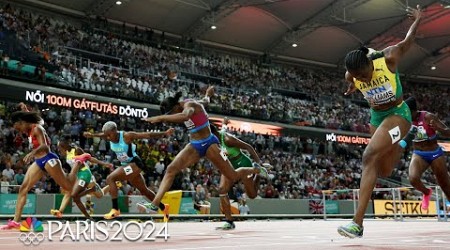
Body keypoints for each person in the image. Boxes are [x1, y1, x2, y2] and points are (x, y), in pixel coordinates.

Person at [337, 5, 421, 238]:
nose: (364, 79)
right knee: (382, 168)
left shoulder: (389, 57)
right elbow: (352, 79)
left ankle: (357, 223)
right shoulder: (351, 74)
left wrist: (418, 19)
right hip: (377, 117)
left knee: (368, 156)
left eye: (365, 75)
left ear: (371, 64)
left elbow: (408, 40)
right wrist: (352, 85)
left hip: (398, 114)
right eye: (359, 77)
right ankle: (404, 142)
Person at [141, 86, 262, 217]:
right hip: (195, 145)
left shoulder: (190, 105)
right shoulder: (192, 104)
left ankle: (255, 170)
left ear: (176, 106)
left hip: (210, 144)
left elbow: (185, 116)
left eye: (171, 113)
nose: (171, 117)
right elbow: (205, 101)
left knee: (232, 176)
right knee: (171, 169)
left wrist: (160, 118)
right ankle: (155, 204)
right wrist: (208, 94)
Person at [83, 121, 174, 219]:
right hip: (126, 165)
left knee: (110, 178)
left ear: (115, 131)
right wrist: (92, 135)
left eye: (109, 134)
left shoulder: (127, 136)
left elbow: (147, 135)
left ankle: (115, 209)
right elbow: (101, 135)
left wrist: (164, 133)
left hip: (135, 164)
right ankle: (164, 207)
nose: (107, 137)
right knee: (144, 191)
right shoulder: (108, 136)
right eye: (106, 135)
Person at [1, 111, 72, 230]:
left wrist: (32, 153)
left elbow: (46, 147)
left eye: (18, 127)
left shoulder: (37, 129)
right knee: (23, 188)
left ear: (22, 122)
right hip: (39, 162)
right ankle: (16, 221)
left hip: (49, 160)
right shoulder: (28, 130)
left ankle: (84, 188)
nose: (19, 130)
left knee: (67, 187)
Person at [210, 123, 269, 230]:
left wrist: (258, 163)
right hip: (230, 165)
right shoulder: (213, 142)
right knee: (222, 189)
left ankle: (258, 173)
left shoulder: (228, 139)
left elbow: (248, 147)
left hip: (243, 163)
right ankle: (229, 221)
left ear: (213, 133)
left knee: (251, 195)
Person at [399, 97, 450, 210]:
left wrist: (438, 129)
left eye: (407, 112)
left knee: (445, 185)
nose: (405, 114)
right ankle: (426, 192)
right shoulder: (405, 120)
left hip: (435, 153)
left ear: (414, 111)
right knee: (413, 178)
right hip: (419, 154)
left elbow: (448, 132)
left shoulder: (428, 117)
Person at [51, 137, 112, 219]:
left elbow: (89, 158)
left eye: (59, 148)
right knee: (70, 192)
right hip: (77, 176)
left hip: (85, 173)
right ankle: (60, 211)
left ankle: (112, 185)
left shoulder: (77, 150)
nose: (59, 150)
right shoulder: (66, 154)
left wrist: (103, 164)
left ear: (64, 146)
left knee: (99, 195)